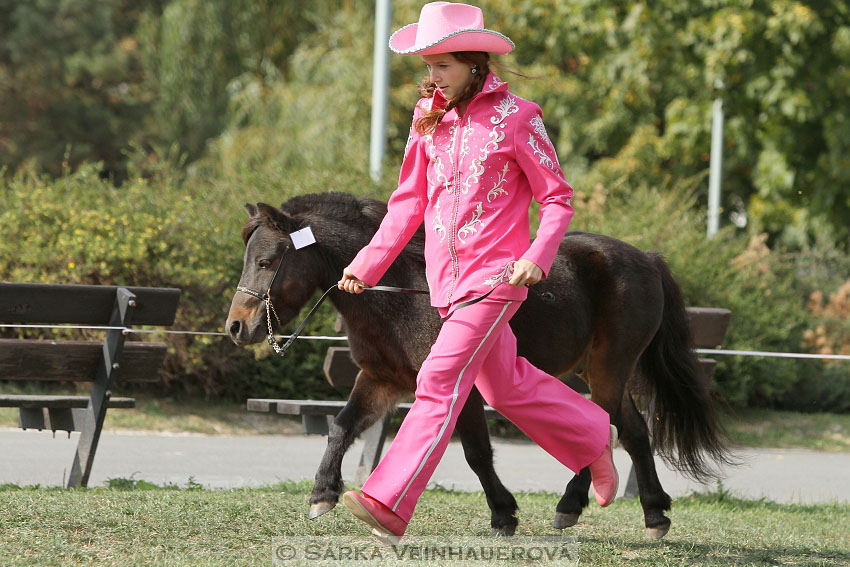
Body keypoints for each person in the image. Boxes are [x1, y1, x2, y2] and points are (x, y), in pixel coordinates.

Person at [337, 1, 617, 543]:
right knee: (506, 389)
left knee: (438, 381)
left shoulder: (518, 118)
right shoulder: (427, 120)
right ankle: (592, 434)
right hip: (444, 283)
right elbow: (406, 204)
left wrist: (537, 255)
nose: (432, 76)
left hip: (496, 280)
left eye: (442, 65)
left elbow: (557, 200)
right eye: (428, 66)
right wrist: (367, 264)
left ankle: (388, 501)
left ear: (473, 62)